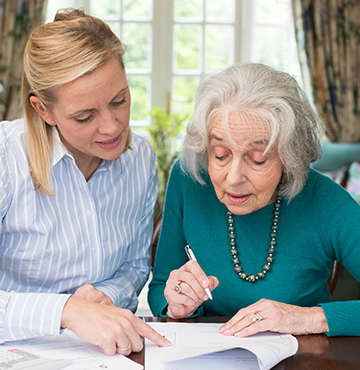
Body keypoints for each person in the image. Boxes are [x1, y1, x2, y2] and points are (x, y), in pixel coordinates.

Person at [0, 8, 170, 355]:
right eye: (84, 116)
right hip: (3, 352)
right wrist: (65, 310)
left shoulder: (140, 160)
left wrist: (107, 296)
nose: (112, 127)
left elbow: (134, 266)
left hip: (100, 353)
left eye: (119, 100)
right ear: (42, 110)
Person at [148, 63, 360, 337]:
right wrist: (176, 303)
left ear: (289, 157)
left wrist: (308, 318)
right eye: (220, 154)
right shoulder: (190, 178)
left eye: (258, 159)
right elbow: (161, 286)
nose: (233, 178)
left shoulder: (325, 202)